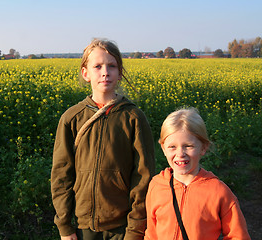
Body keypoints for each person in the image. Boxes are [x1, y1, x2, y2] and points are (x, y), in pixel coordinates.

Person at [51, 38, 155, 240]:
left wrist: (135, 229)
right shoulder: (71, 118)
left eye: (112, 66)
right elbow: (61, 175)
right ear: (86, 73)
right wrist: (65, 226)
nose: (105, 72)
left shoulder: (133, 117)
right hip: (83, 227)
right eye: (97, 66)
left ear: (120, 73)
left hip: (122, 227)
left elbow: (143, 177)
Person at [144, 107, 251, 240]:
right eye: (172, 147)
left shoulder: (219, 192)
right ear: (163, 148)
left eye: (188, 146)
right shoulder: (156, 186)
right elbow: (151, 234)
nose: (180, 154)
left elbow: (238, 236)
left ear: (203, 147)